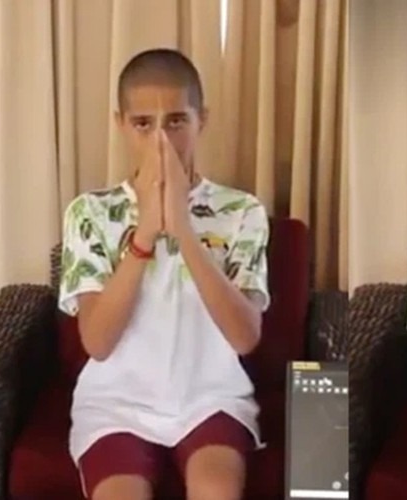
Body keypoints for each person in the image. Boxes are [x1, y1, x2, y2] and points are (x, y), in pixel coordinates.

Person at [58, 48, 270, 500]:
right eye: (143, 124)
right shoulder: (90, 213)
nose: (161, 140)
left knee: (216, 491)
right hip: (115, 403)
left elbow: (245, 337)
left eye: (176, 121)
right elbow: (97, 342)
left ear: (201, 120)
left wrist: (183, 229)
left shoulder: (241, 211)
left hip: (210, 397)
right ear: (121, 124)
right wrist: (145, 233)